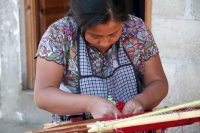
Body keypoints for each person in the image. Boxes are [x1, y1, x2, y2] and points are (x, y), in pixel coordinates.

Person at [34, 0, 168, 125]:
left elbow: (158, 82)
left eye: (114, 33)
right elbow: (42, 95)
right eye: (95, 36)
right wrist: (90, 104)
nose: (105, 43)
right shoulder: (59, 35)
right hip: (79, 128)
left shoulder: (137, 30)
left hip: (129, 126)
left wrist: (142, 101)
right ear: (79, 22)